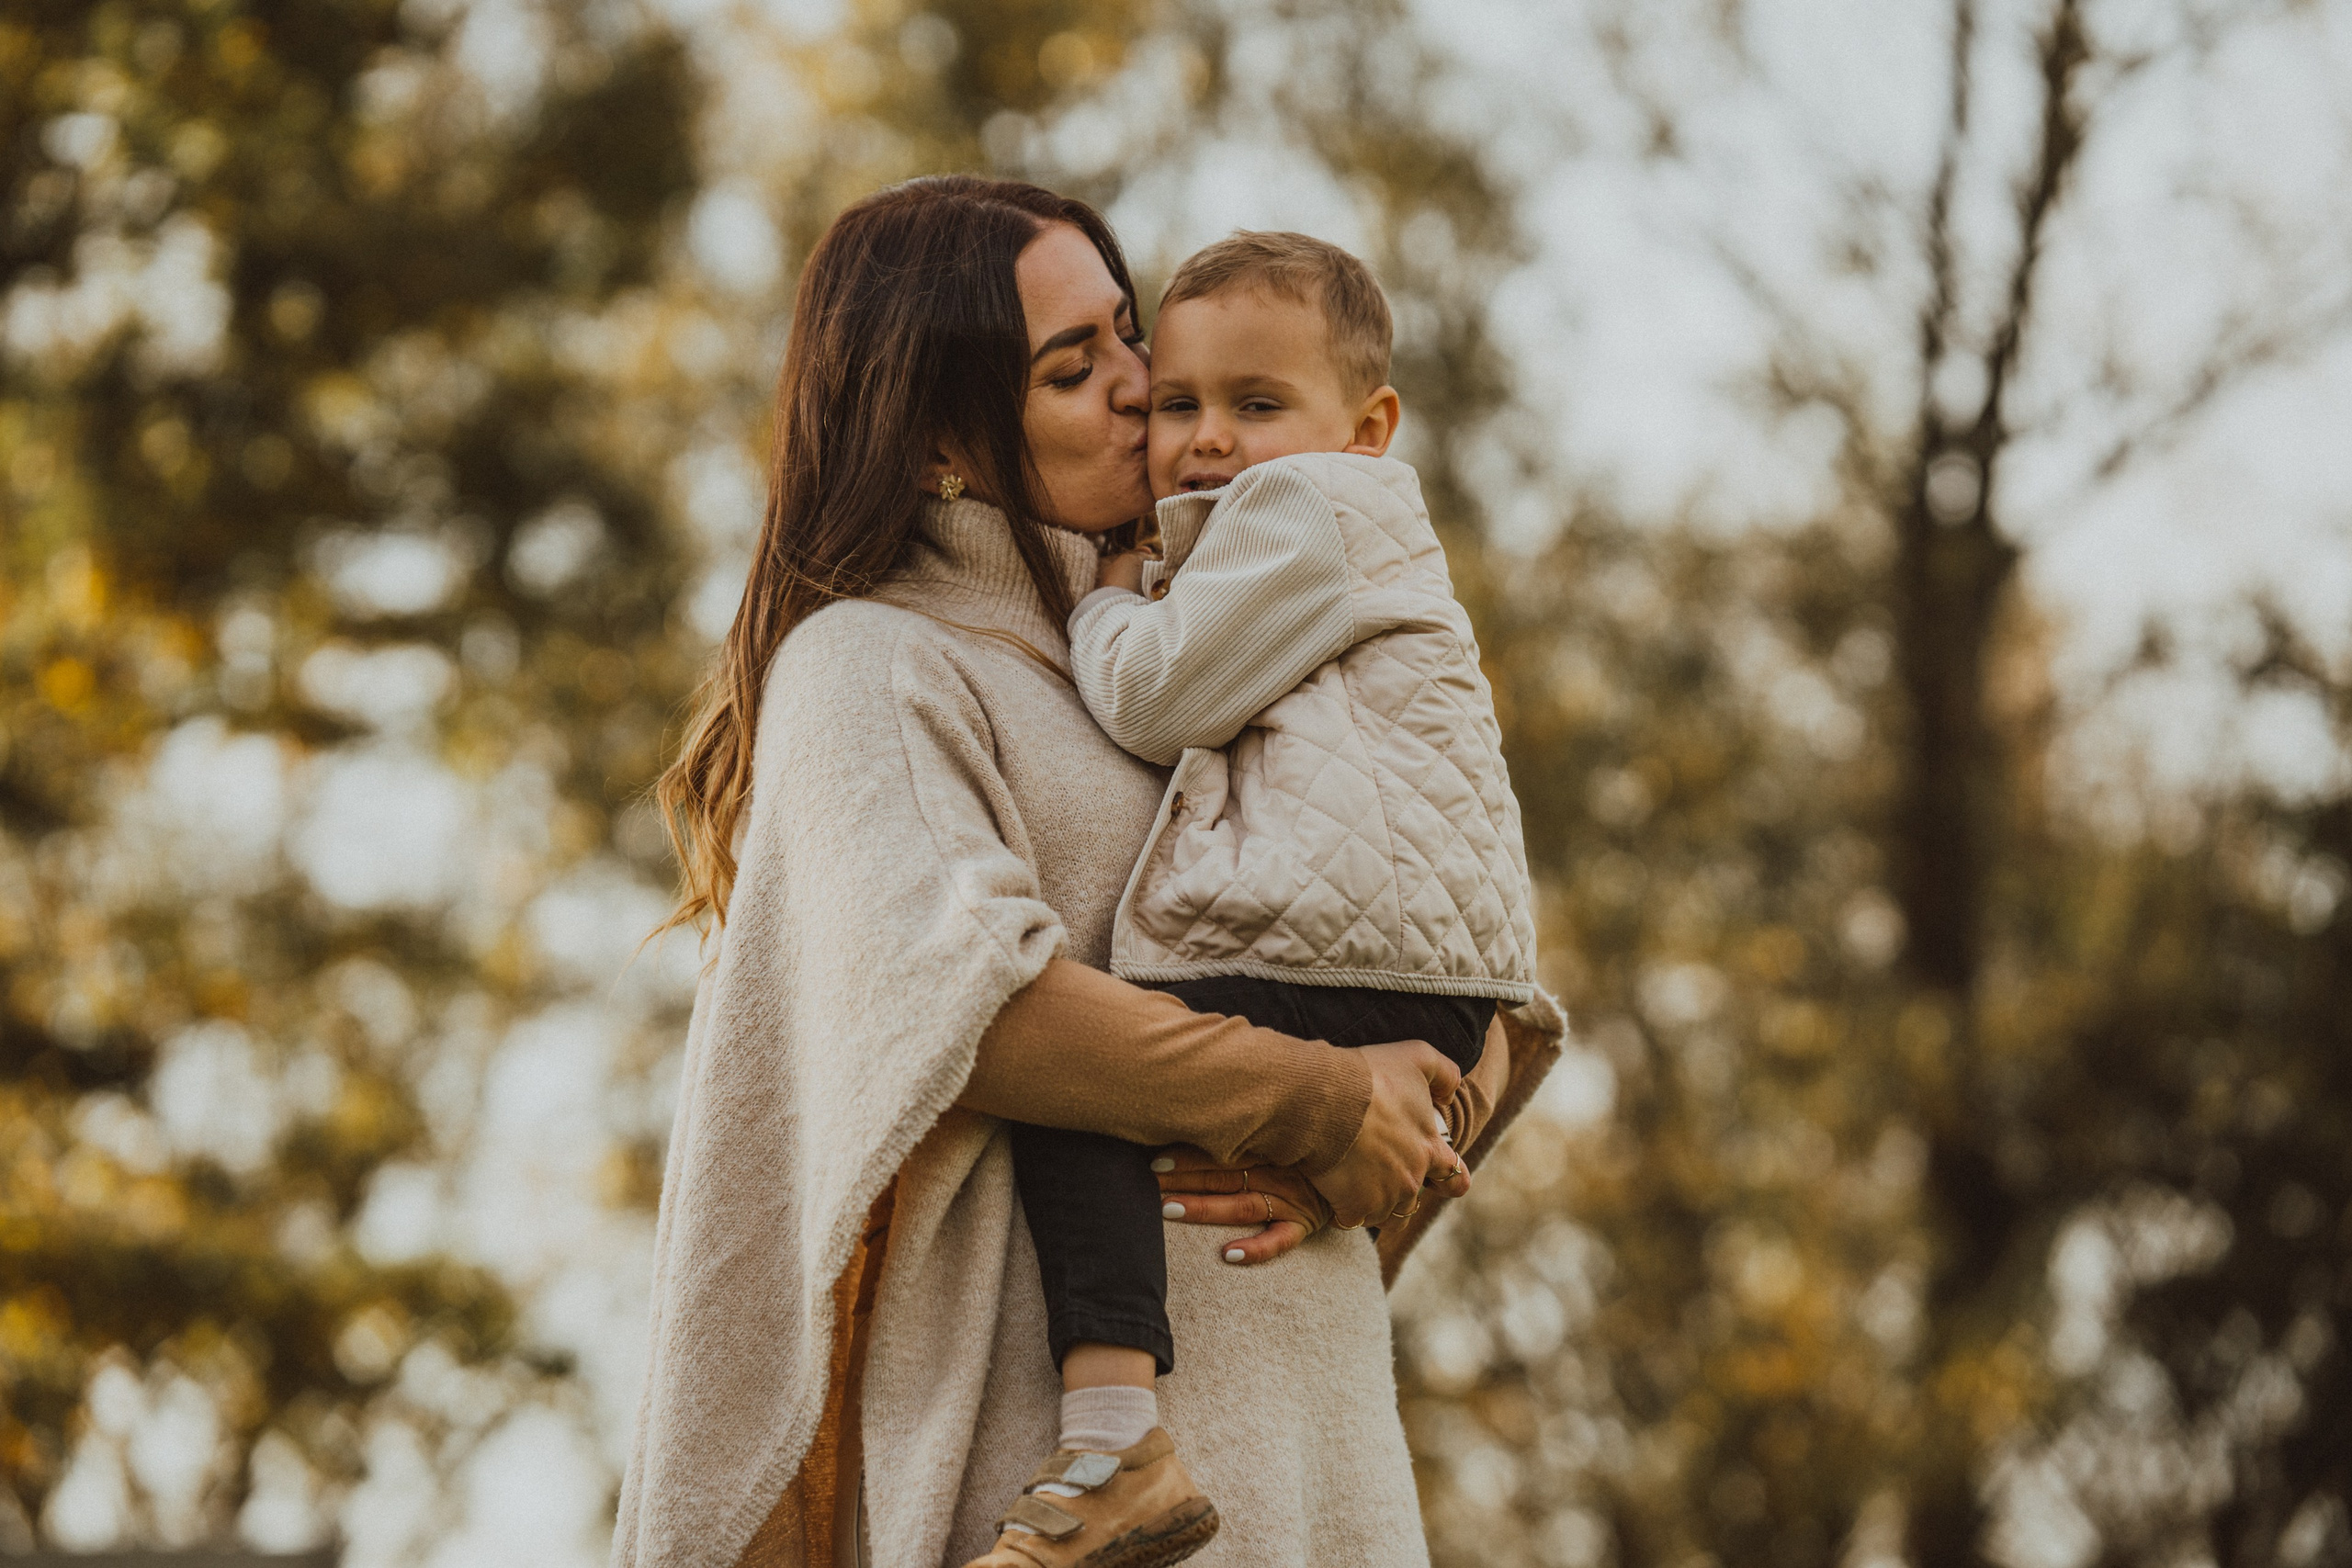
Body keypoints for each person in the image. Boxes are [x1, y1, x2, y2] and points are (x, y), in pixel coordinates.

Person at [615, 175, 1563, 1568]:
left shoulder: (1205, 651)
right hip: (1047, 1478)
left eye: (1128, 335)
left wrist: (1406, 1130)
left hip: (1314, 1449)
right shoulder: (878, 664)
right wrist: (1312, 1102)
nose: (1145, 388)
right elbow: (968, 1004)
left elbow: (1422, 935)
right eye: (1079, 366)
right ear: (944, 433)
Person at [972, 232, 1539, 1568]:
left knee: (1094, 1068)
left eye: (1257, 405)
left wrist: (1108, 601)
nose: (1207, 440)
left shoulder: (1311, 515)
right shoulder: (1332, 533)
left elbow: (1156, 698)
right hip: (1429, 979)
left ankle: (1113, 1439)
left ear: (1368, 427)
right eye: (1181, 404)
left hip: (1371, 964)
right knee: (1135, 1067)